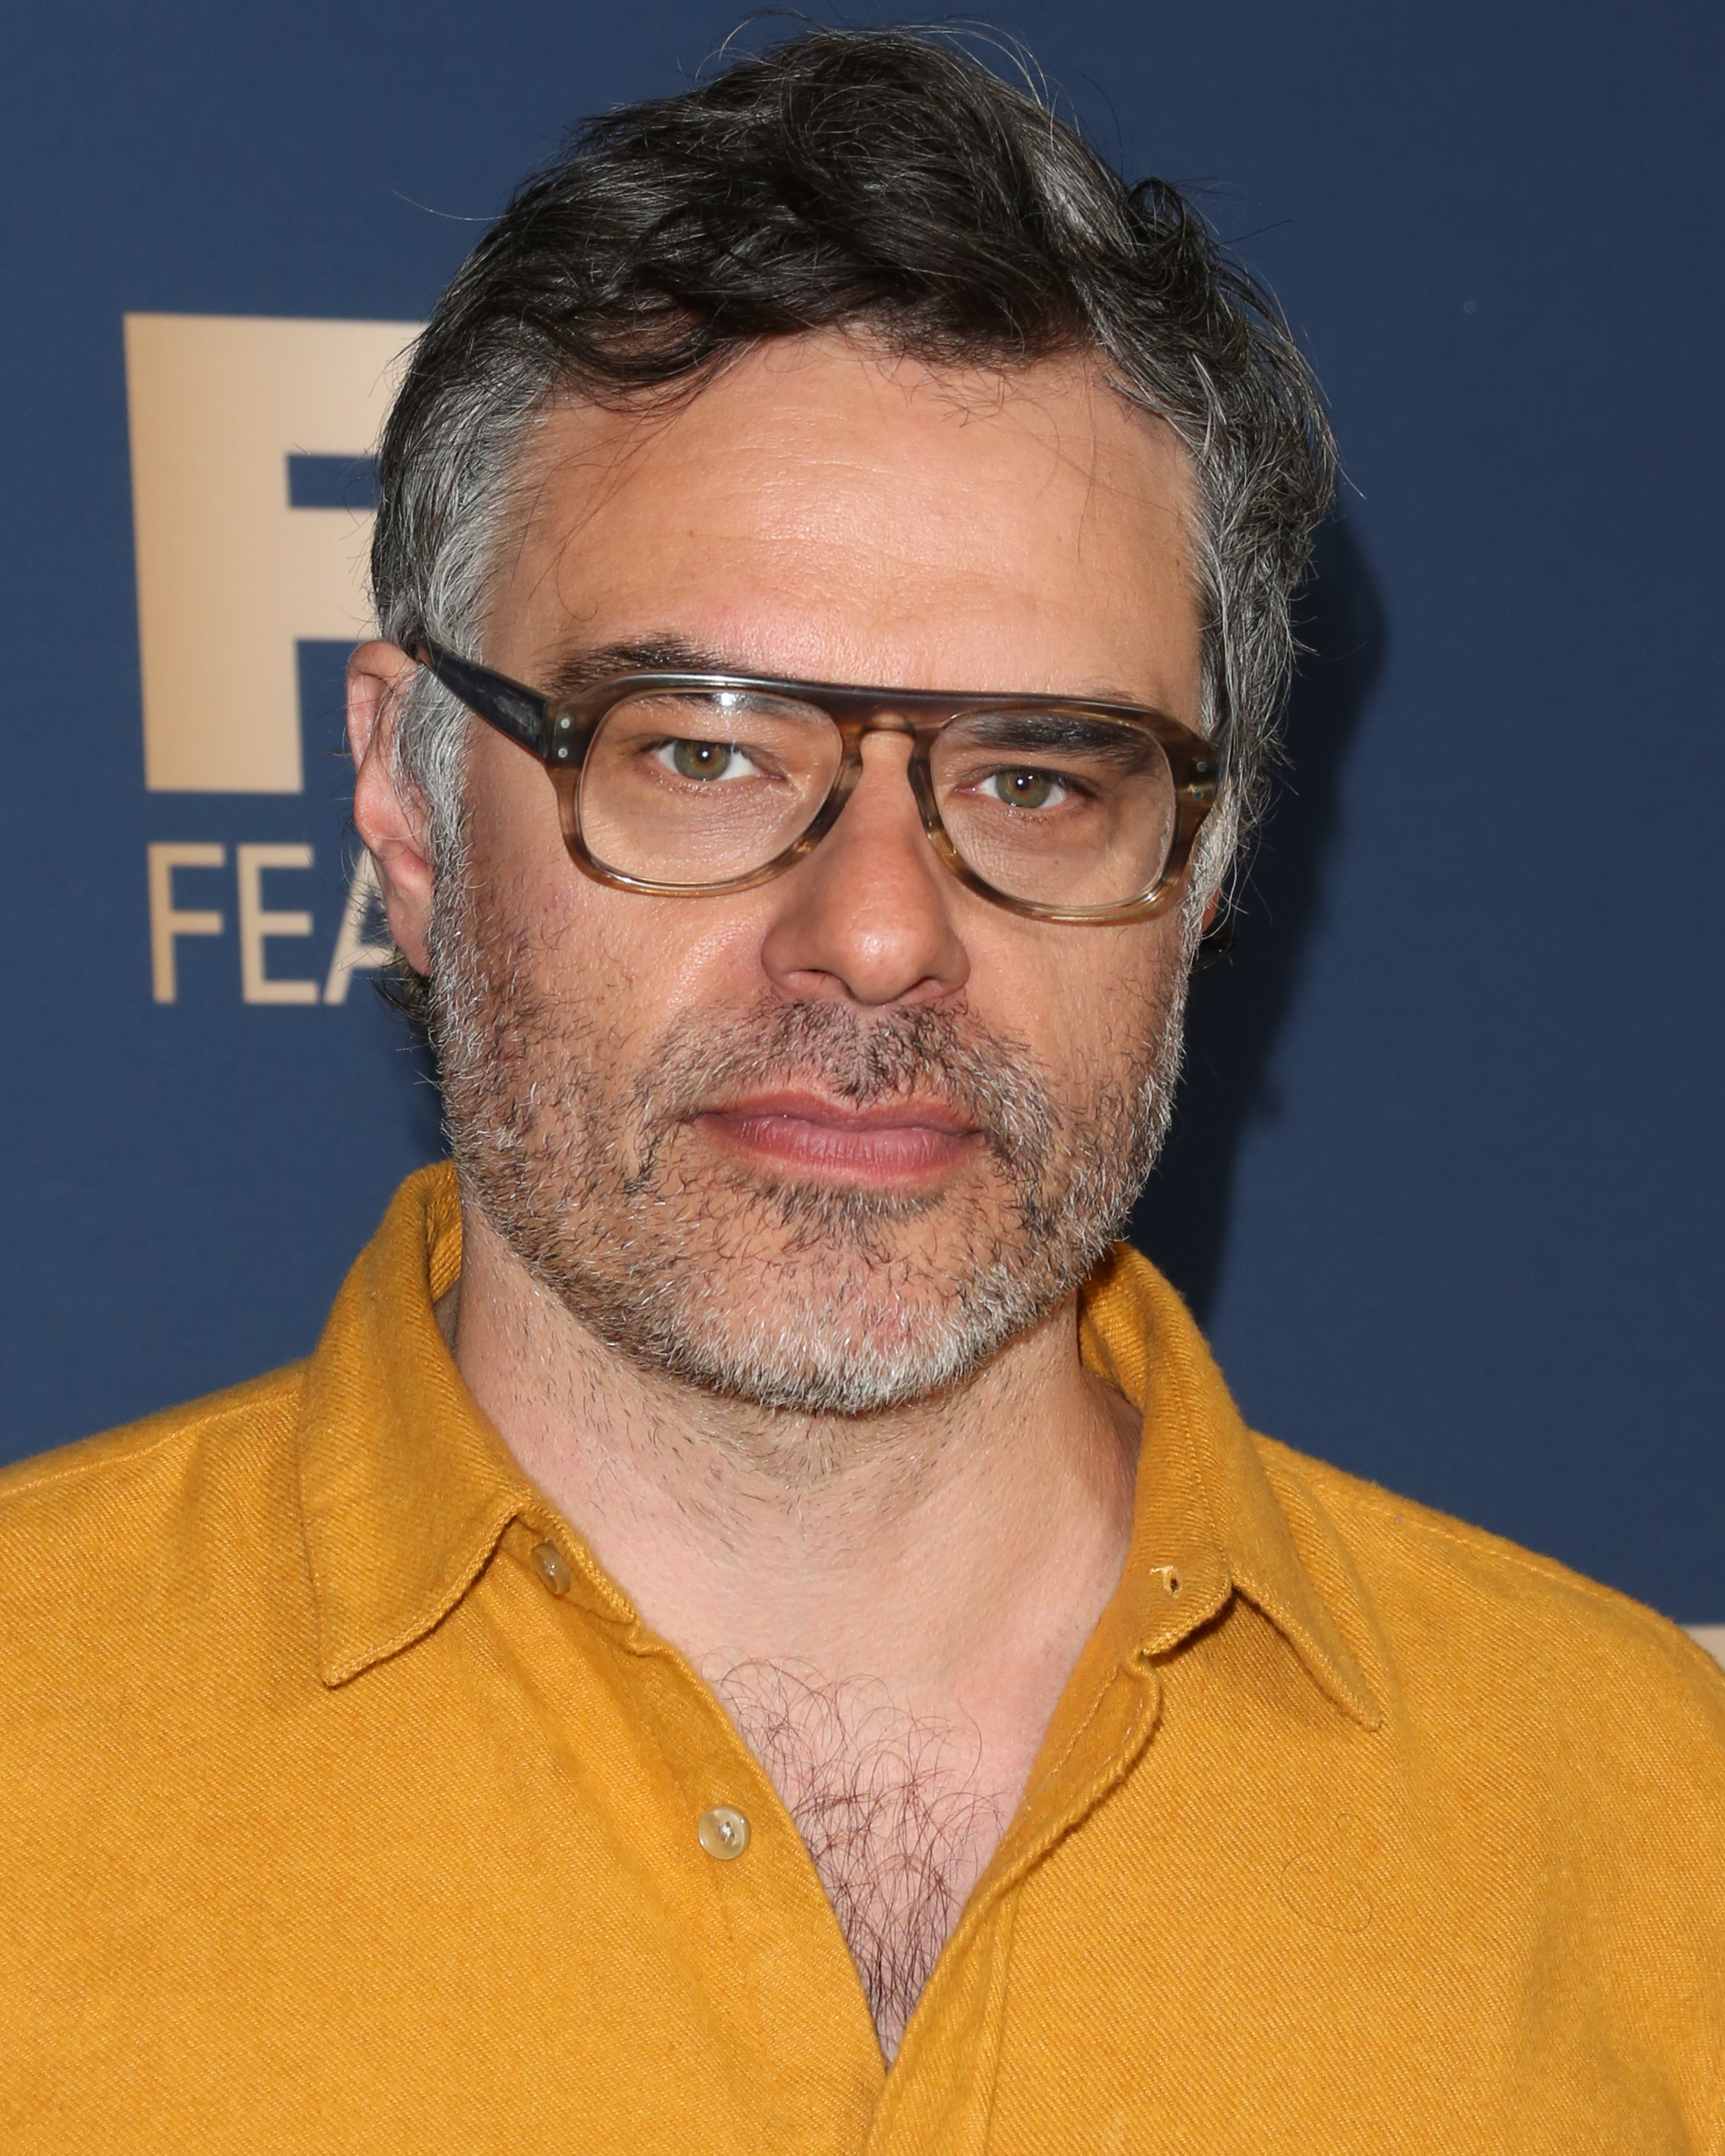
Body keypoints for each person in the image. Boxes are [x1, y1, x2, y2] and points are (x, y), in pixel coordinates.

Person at [4, 27, 1721, 2153]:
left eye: (1035, 776)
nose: (882, 931)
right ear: (406, 800)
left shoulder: (1652, 1838)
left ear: (1199, 861)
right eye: (702, 749)